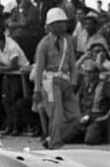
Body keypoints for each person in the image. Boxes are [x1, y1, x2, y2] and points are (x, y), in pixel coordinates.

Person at [33, 8, 80, 149]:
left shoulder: (68, 41)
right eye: (59, 22)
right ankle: (55, 146)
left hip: (65, 82)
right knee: (57, 117)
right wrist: (37, 89)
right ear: (51, 25)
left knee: (76, 118)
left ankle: (52, 138)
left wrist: (73, 83)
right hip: (50, 83)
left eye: (64, 22)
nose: (64, 25)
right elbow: (39, 68)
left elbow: (73, 64)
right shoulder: (44, 44)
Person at [0, 31, 30, 136]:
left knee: (14, 99)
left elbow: (14, 66)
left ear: (0, 41)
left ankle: (17, 127)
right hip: (8, 75)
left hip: (18, 75)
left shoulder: (12, 47)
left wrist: (1, 69)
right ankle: (9, 125)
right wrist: (3, 68)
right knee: (6, 101)